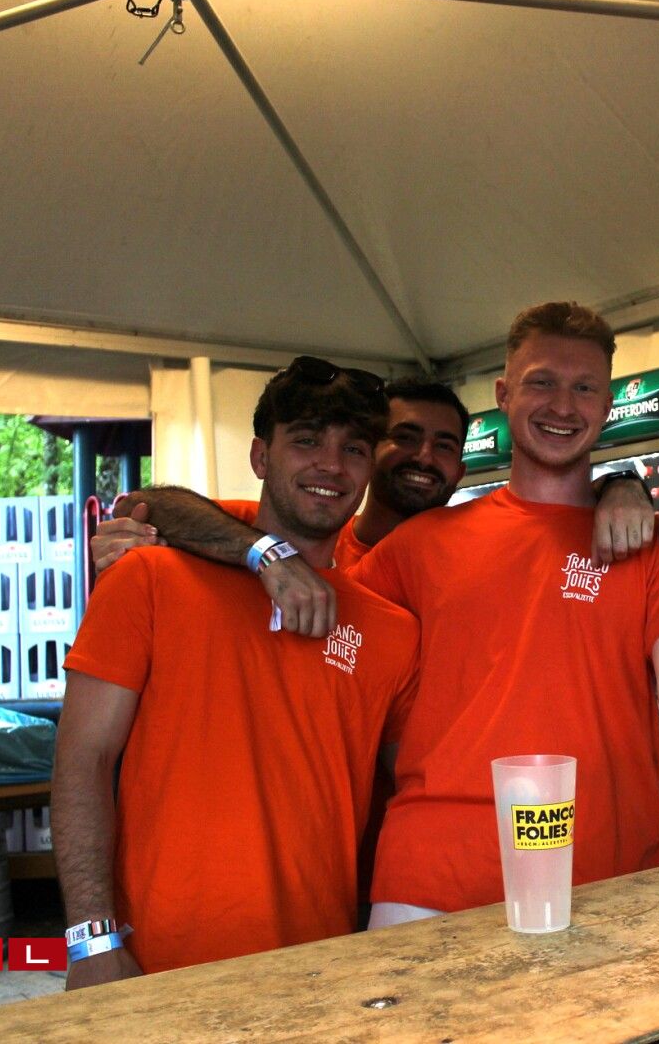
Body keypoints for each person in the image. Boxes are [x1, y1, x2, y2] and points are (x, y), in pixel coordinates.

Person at [351, 301, 659, 928]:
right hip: (430, 879)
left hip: (607, 879)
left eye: (584, 388)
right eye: (542, 382)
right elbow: (340, 669)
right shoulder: (414, 547)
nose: (562, 406)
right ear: (504, 394)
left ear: (607, 405)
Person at [52, 359, 419, 988]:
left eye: (353, 449)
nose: (331, 465)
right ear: (260, 456)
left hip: (320, 963)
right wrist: (91, 940)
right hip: (158, 965)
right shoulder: (147, 577)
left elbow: (414, 792)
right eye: (306, 440)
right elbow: (82, 760)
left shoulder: (391, 630)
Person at [90, 377, 659, 636]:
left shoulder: (470, 548)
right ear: (370, 450)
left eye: (444, 446)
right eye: (404, 437)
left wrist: (620, 484)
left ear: (460, 471)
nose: (423, 457)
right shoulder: (300, 535)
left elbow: (544, 519)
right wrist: (267, 555)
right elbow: (151, 503)